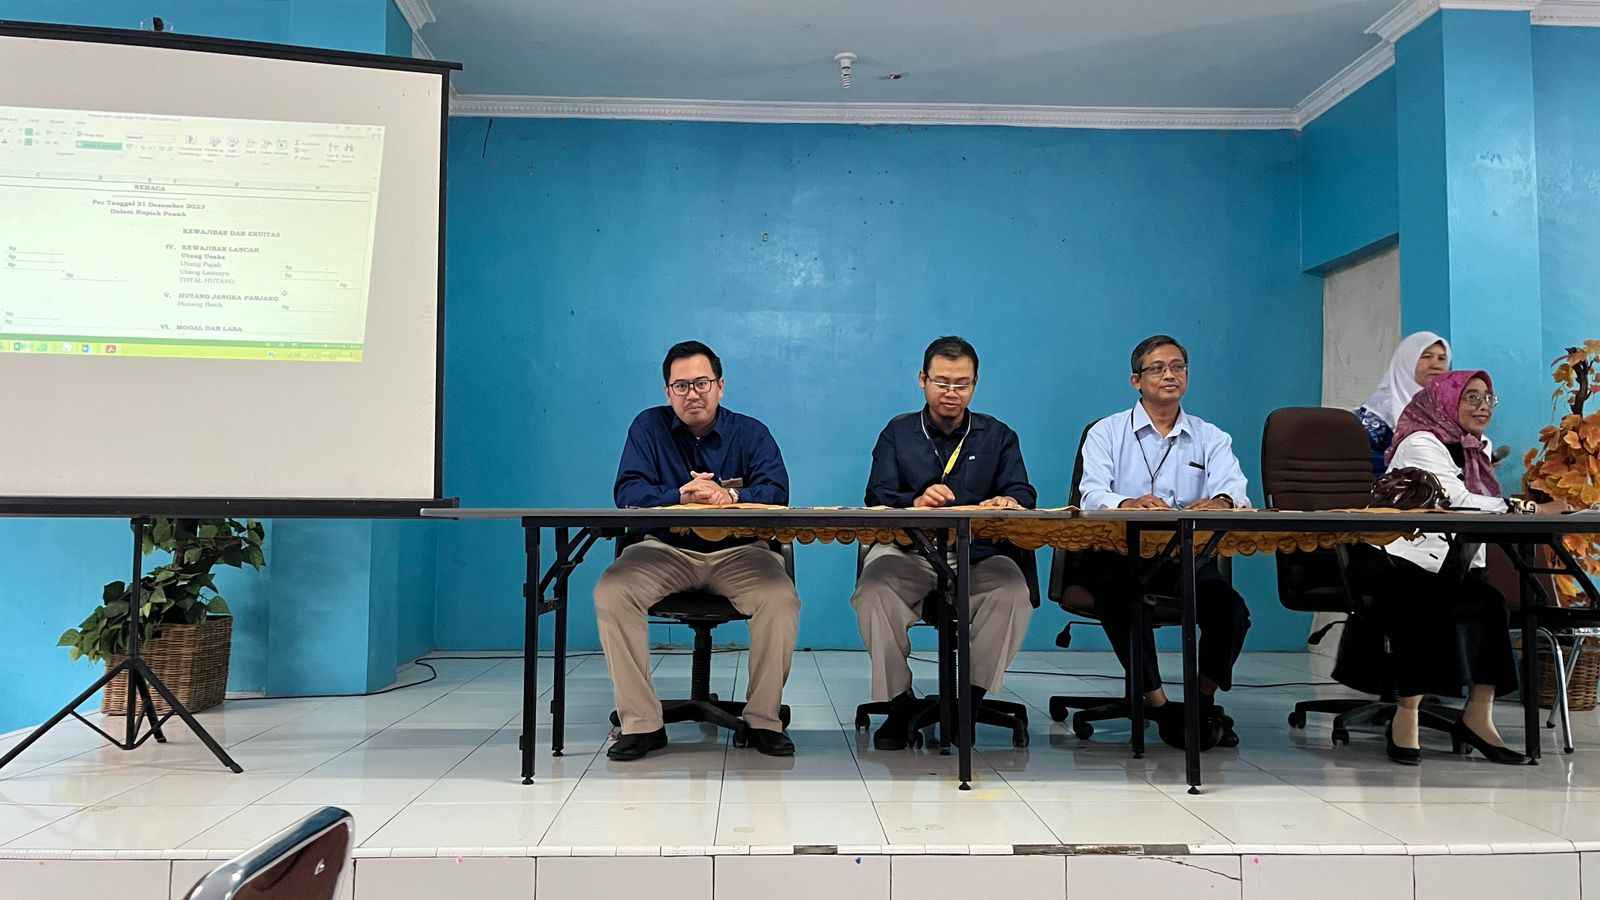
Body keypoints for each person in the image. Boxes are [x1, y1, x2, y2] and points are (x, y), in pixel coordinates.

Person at [594, 340, 800, 761]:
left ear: (720, 386)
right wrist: (680, 495)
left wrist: (729, 496)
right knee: (612, 591)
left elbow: (777, 492)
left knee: (780, 599)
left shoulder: (751, 433)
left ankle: (763, 719)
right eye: (681, 386)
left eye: (702, 383)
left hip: (741, 553)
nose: (693, 394)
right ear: (668, 392)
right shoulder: (648, 428)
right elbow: (628, 492)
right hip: (665, 550)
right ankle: (642, 724)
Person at [851, 336, 1037, 750]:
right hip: (910, 551)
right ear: (923, 380)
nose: (951, 392)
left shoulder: (998, 435)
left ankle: (969, 701)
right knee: (873, 592)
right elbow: (876, 494)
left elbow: (1023, 491)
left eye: (961, 384)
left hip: (978, 554)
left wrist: (1008, 501)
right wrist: (915, 501)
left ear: (974, 384)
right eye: (942, 382)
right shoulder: (898, 432)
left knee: (1012, 591)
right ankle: (899, 703)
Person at [1362, 370, 1554, 766]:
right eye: (1471, 397)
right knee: (1421, 602)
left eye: (1488, 399)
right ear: (1445, 401)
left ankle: (1478, 717)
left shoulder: (1475, 446)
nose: (1483, 407)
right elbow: (1459, 501)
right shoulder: (1421, 442)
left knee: (1489, 604)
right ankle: (1406, 715)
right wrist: (1528, 508)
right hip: (1397, 559)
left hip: (1451, 563)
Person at [1075, 334, 1252, 750]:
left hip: (1183, 558)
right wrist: (1126, 503)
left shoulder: (1210, 437)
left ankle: (1200, 701)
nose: (1169, 375)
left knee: (1231, 610)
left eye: (1178, 367)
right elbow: (1091, 493)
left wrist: (1223, 501)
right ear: (1136, 380)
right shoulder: (1107, 432)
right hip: (1118, 554)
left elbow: (1235, 489)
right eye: (1157, 368)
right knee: (1122, 598)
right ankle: (1158, 702)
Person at [1355, 332, 1451, 474]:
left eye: (1442, 358)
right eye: (1426, 356)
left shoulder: (1448, 406)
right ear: (1406, 360)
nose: (1436, 365)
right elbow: (1357, 456)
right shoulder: (1382, 407)